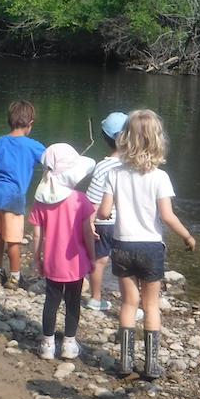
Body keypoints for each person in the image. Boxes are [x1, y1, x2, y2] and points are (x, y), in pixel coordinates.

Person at [99, 109, 196, 379]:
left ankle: (125, 363)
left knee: (129, 303)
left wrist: (99, 217)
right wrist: (187, 236)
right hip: (151, 247)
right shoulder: (159, 177)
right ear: (157, 140)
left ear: (124, 139)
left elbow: (105, 212)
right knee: (151, 306)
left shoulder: (115, 174)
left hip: (122, 246)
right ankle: (151, 365)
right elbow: (167, 216)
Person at [29, 143, 96, 360]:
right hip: (75, 262)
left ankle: (48, 343)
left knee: (51, 300)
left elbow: (37, 236)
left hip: (52, 261)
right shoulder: (80, 199)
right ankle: (68, 343)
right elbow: (88, 233)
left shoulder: (40, 201)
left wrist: (36, 259)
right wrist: (92, 258)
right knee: (73, 300)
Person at [0, 100, 46, 288]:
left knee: (0, 233)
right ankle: (15, 275)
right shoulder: (32, 146)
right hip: (13, 196)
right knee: (14, 239)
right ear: (30, 123)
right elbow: (50, 160)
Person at [84, 111, 128, 311]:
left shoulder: (102, 167)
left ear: (104, 138)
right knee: (125, 266)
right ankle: (132, 303)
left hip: (103, 223)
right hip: (126, 224)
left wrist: (89, 224)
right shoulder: (134, 167)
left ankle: (95, 297)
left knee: (98, 261)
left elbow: (93, 201)